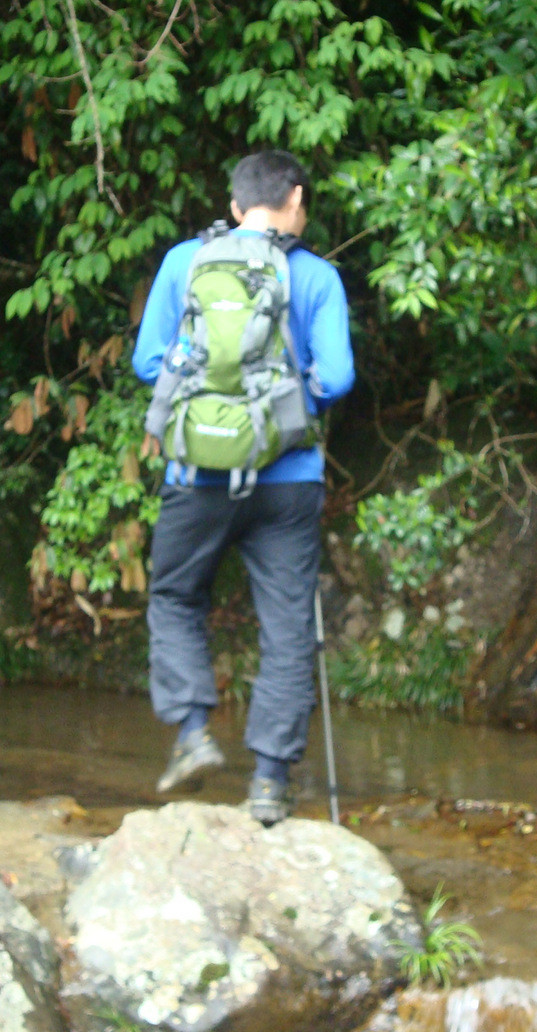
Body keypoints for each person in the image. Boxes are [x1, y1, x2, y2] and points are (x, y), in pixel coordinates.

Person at [131, 150, 355, 826]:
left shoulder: (184, 263)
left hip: (196, 473)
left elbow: (147, 362)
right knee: (286, 625)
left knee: (174, 596)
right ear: (293, 199)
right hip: (288, 479)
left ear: (234, 208)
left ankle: (194, 733)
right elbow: (338, 378)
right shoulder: (315, 275)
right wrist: (290, 403)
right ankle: (267, 784)